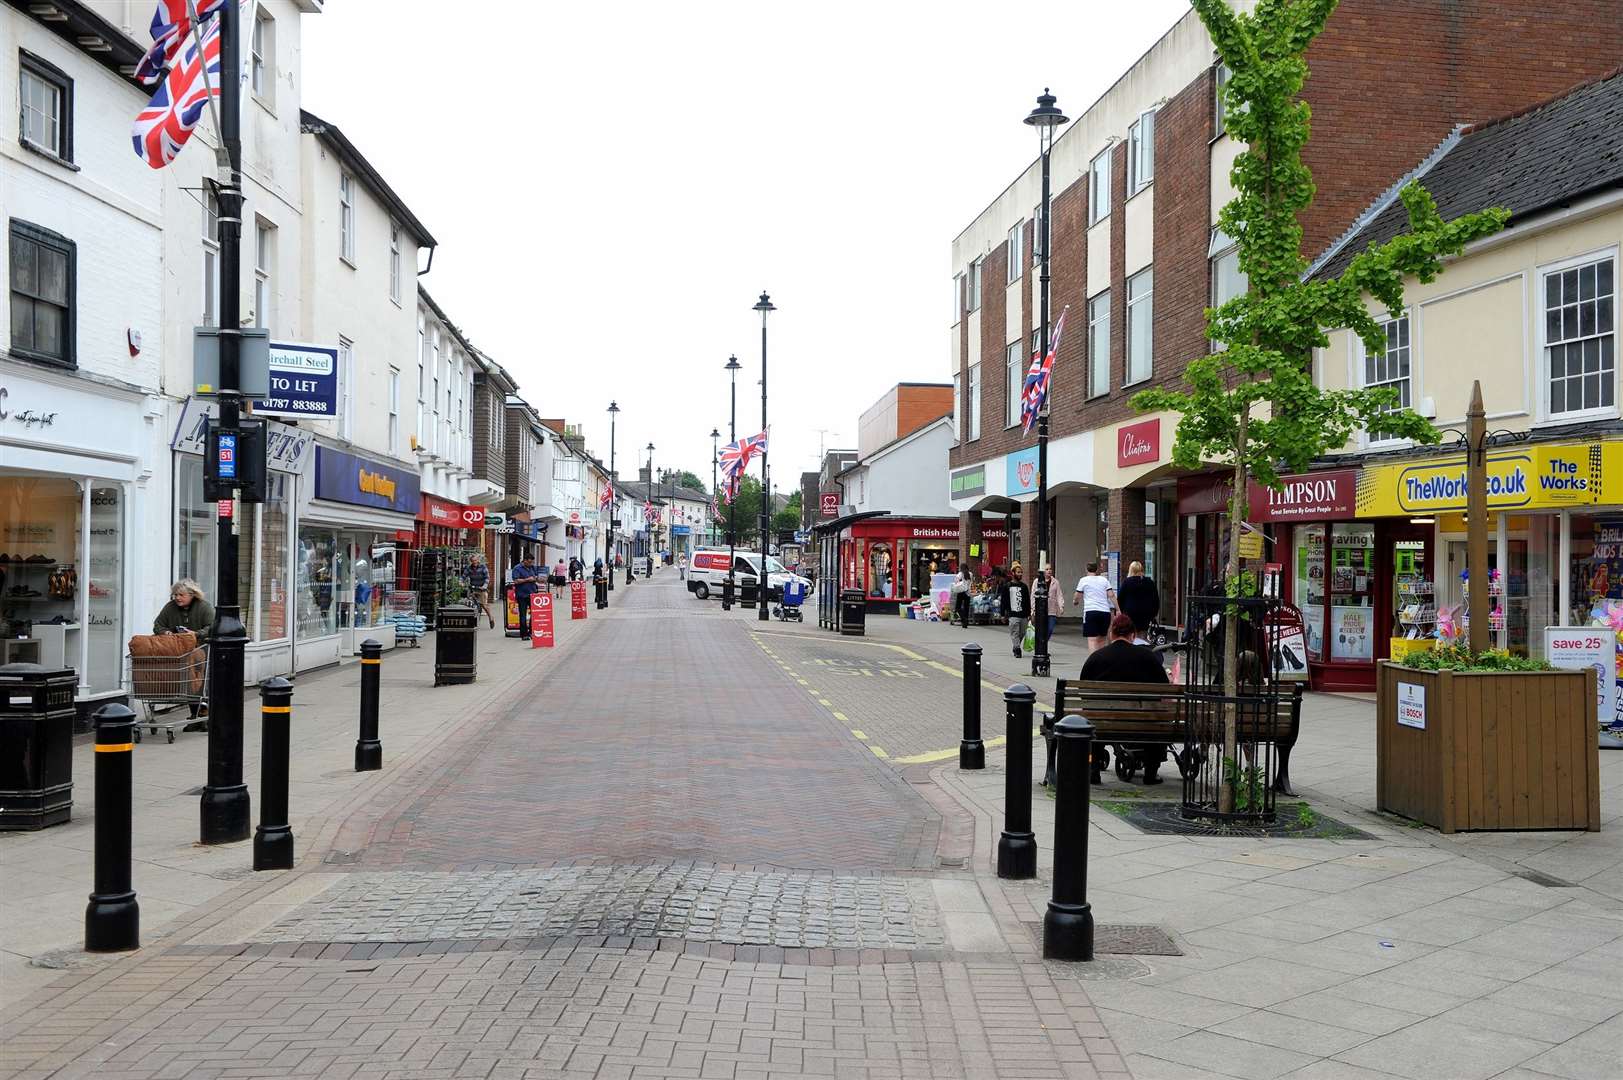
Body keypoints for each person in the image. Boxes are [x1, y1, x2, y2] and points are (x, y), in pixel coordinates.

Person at [1080, 612, 1171, 783]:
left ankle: (1093, 770)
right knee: (1158, 720)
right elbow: (1164, 690)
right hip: (1143, 723)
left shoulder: (1096, 658)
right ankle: (1150, 773)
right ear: (1133, 635)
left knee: (1093, 716)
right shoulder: (1148, 658)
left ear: (1111, 634)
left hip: (1103, 722)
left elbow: (1083, 693)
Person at [154, 579, 214, 725]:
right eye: (175, 595)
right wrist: (166, 633)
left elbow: (212, 627)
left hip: (201, 650)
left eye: (181, 595)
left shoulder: (204, 607)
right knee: (188, 683)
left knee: (200, 683)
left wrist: (196, 634)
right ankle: (195, 715)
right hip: (180, 652)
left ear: (192, 594)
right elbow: (158, 625)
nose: (177, 598)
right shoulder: (170, 607)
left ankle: (203, 714)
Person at [1074, 562, 1117, 652]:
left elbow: (1077, 595)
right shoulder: (1104, 580)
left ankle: (1094, 662)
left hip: (1091, 612)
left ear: (1086, 569)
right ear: (1097, 570)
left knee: (1092, 640)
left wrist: (1075, 601)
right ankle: (1101, 660)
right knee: (1102, 639)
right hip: (1105, 613)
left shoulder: (1083, 580)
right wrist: (1118, 609)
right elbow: (1111, 595)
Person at [1118, 560, 1160, 640]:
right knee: (1143, 635)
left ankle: (1133, 650)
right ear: (1142, 570)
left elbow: (1120, 599)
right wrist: (1153, 613)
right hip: (1145, 613)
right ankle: (1141, 649)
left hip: (1130, 613)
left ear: (1131, 570)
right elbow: (1155, 600)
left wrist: (1121, 612)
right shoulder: (1149, 582)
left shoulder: (1127, 582)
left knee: (1131, 634)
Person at [1001, 565, 1031, 659]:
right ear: (1013, 573)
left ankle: (1015, 646)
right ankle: (1017, 649)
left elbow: (1027, 600)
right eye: (1018, 572)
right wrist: (1003, 614)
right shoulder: (1007, 586)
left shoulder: (1024, 586)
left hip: (1023, 615)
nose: (1020, 574)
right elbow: (1003, 601)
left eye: (1021, 572)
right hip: (1013, 614)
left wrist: (1029, 613)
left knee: (1022, 632)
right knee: (1015, 632)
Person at [512, 554, 539, 635]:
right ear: (525, 560)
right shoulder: (517, 568)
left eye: (532, 562)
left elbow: (535, 577)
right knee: (523, 615)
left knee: (534, 613)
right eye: (529, 562)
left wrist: (537, 579)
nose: (531, 564)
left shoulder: (532, 567)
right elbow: (516, 581)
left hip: (532, 593)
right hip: (522, 595)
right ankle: (524, 634)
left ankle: (531, 631)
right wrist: (527, 579)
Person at [466, 554, 495, 629]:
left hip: (481, 589)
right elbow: (463, 576)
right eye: (472, 561)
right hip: (473, 588)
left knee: (484, 605)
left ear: (478, 560)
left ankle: (491, 618)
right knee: (469, 603)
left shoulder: (483, 567)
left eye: (475, 560)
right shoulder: (469, 568)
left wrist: (484, 586)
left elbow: (487, 578)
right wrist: (461, 581)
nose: (474, 562)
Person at [1042, 567, 1064, 642]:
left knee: (1050, 628)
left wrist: (1061, 606)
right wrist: (1032, 608)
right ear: (1043, 571)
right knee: (1042, 629)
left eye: (1050, 569)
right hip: (1041, 609)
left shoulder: (1055, 582)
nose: (1049, 571)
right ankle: (1042, 646)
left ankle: (1044, 643)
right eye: (1047, 569)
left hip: (1052, 609)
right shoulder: (1037, 581)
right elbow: (1033, 595)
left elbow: (1059, 595)